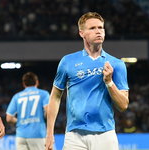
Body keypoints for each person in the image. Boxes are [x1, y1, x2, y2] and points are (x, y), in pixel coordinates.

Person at [45, 12, 129, 150]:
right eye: (92, 28)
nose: (98, 31)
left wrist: (109, 82)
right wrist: (49, 133)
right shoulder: (67, 62)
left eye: (101, 27)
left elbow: (123, 105)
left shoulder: (116, 64)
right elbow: (55, 97)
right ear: (82, 33)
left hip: (105, 135)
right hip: (74, 136)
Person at [6, 72, 50, 150]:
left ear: (24, 84)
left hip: (21, 136)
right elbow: (48, 112)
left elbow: (9, 118)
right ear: (37, 82)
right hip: (37, 134)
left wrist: (21, 121)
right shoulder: (44, 94)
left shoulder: (17, 96)